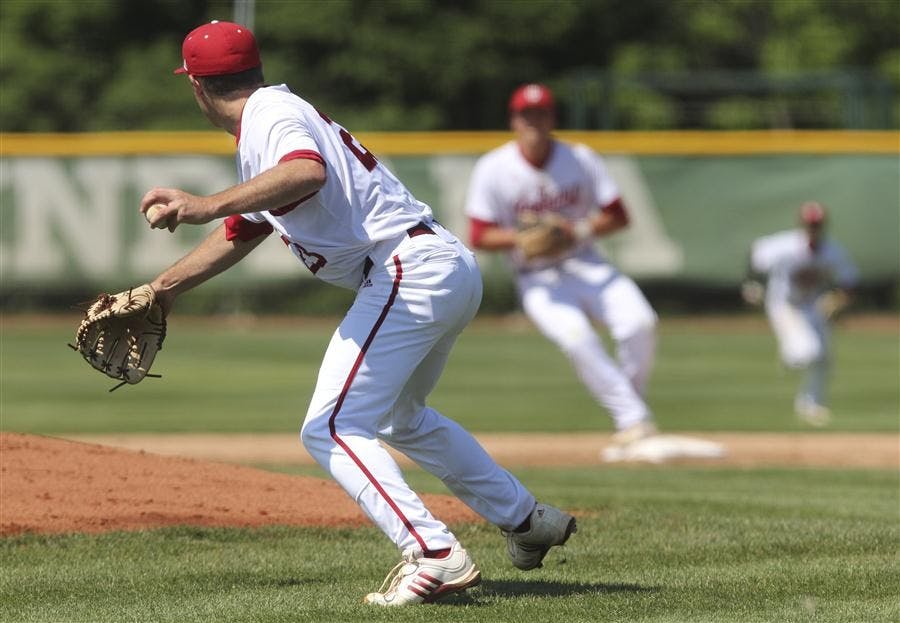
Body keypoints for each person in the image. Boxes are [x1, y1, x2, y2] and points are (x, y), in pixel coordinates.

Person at [141, 22, 576, 606]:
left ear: (195, 86)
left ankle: (434, 553)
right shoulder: (269, 119)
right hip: (437, 265)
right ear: (253, 69)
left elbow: (306, 172)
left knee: (331, 427)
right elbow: (245, 227)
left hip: (408, 269)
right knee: (402, 418)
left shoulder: (271, 118)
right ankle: (527, 520)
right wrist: (164, 288)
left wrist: (204, 202)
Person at [464, 83, 662, 461]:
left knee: (641, 323)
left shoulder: (580, 159)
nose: (534, 122)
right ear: (514, 120)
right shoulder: (494, 168)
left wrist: (576, 231)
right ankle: (634, 420)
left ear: (553, 118)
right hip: (537, 277)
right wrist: (524, 239)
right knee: (577, 339)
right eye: (527, 115)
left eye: (542, 114)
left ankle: (630, 417)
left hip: (587, 263)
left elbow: (618, 215)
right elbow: (479, 234)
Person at [742, 201, 859, 426]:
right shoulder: (785, 245)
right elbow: (755, 254)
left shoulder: (832, 250)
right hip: (785, 305)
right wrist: (750, 283)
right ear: (801, 224)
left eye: (817, 224)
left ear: (824, 225)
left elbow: (850, 280)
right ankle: (790, 355)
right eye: (810, 224)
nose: (813, 228)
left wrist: (839, 299)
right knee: (807, 353)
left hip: (814, 307)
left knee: (823, 358)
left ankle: (811, 405)